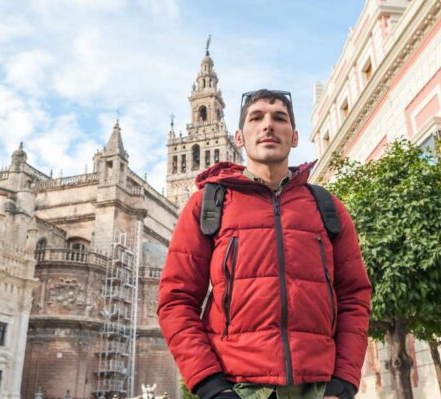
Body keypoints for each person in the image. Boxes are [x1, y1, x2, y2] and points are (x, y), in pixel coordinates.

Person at [158, 89, 371, 399]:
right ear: (239, 137)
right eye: (256, 117)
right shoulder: (207, 205)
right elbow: (176, 301)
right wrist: (211, 386)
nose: (267, 125)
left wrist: (343, 384)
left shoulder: (327, 207)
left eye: (279, 118)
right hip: (236, 389)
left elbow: (355, 297)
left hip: (319, 388)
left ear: (295, 137)